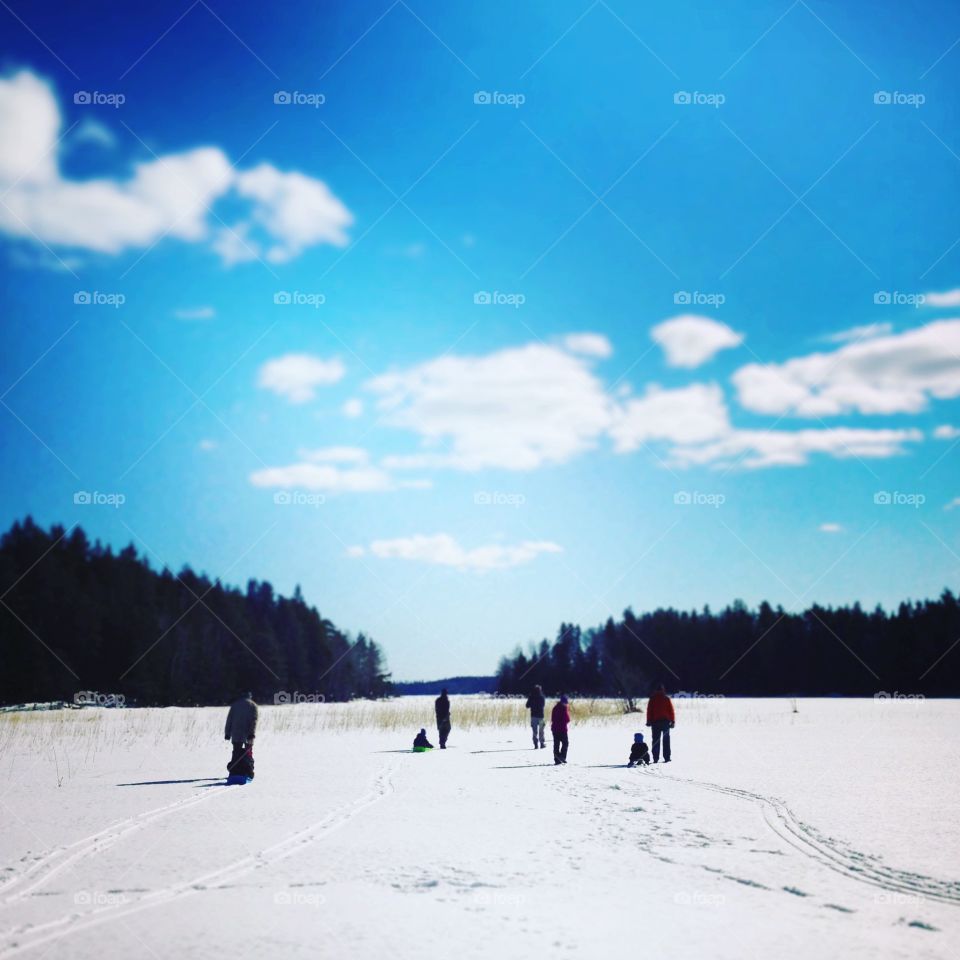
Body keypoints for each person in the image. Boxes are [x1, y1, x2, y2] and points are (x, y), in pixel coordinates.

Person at [225, 691, 258, 778]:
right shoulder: (253, 705)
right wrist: (252, 733)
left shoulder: (235, 705)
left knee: (236, 752)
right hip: (248, 734)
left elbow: (229, 720)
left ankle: (235, 771)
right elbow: (254, 721)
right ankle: (248, 771)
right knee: (248, 753)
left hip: (236, 733)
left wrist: (227, 733)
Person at [646, 683, 675, 763]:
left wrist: (648, 721)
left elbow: (649, 711)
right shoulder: (666, 699)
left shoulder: (652, 699)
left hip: (655, 723)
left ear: (656, 690)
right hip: (665, 722)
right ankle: (667, 757)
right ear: (663, 690)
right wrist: (672, 721)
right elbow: (671, 711)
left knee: (655, 741)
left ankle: (655, 758)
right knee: (666, 740)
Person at [550, 695, 570, 765]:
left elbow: (552, 719)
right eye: (565, 702)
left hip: (555, 729)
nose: (566, 703)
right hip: (562, 729)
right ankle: (562, 757)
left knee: (556, 744)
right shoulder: (564, 708)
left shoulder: (555, 708)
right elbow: (567, 719)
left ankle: (557, 759)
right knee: (565, 743)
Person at [525, 683, 546, 749]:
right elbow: (543, 705)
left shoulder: (531, 697)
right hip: (541, 716)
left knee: (534, 731)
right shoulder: (542, 697)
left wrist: (531, 701)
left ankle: (536, 744)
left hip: (533, 716)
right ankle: (542, 744)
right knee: (541, 731)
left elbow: (527, 706)